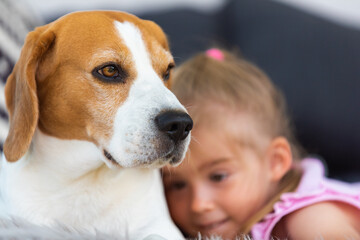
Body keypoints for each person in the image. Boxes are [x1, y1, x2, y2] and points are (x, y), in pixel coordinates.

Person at [162, 48, 360, 239]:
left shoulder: (308, 219)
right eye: (178, 185)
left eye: (218, 176)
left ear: (275, 161)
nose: (198, 204)